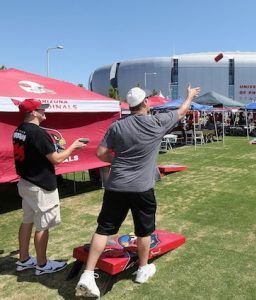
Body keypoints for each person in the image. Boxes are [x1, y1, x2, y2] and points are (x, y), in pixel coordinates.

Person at [75, 85, 200, 298]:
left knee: (104, 228)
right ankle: (142, 269)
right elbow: (181, 111)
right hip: (142, 188)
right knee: (144, 230)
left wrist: (116, 161)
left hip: (116, 186)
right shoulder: (156, 123)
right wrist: (189, 96)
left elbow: (101, 153)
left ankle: (87, 274)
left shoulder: (117, 126)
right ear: (145, 103)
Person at [12, 99, 86, 275]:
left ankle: (23, 260)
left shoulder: (18, 130)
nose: (44, 112)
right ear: (33, 113)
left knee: (27, 220)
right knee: (42, 225)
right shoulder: (37, 133)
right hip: (40, 185)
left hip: (26, 183)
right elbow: (57, 159)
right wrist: (74, 147)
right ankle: (42, 265)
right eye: (41, 109)